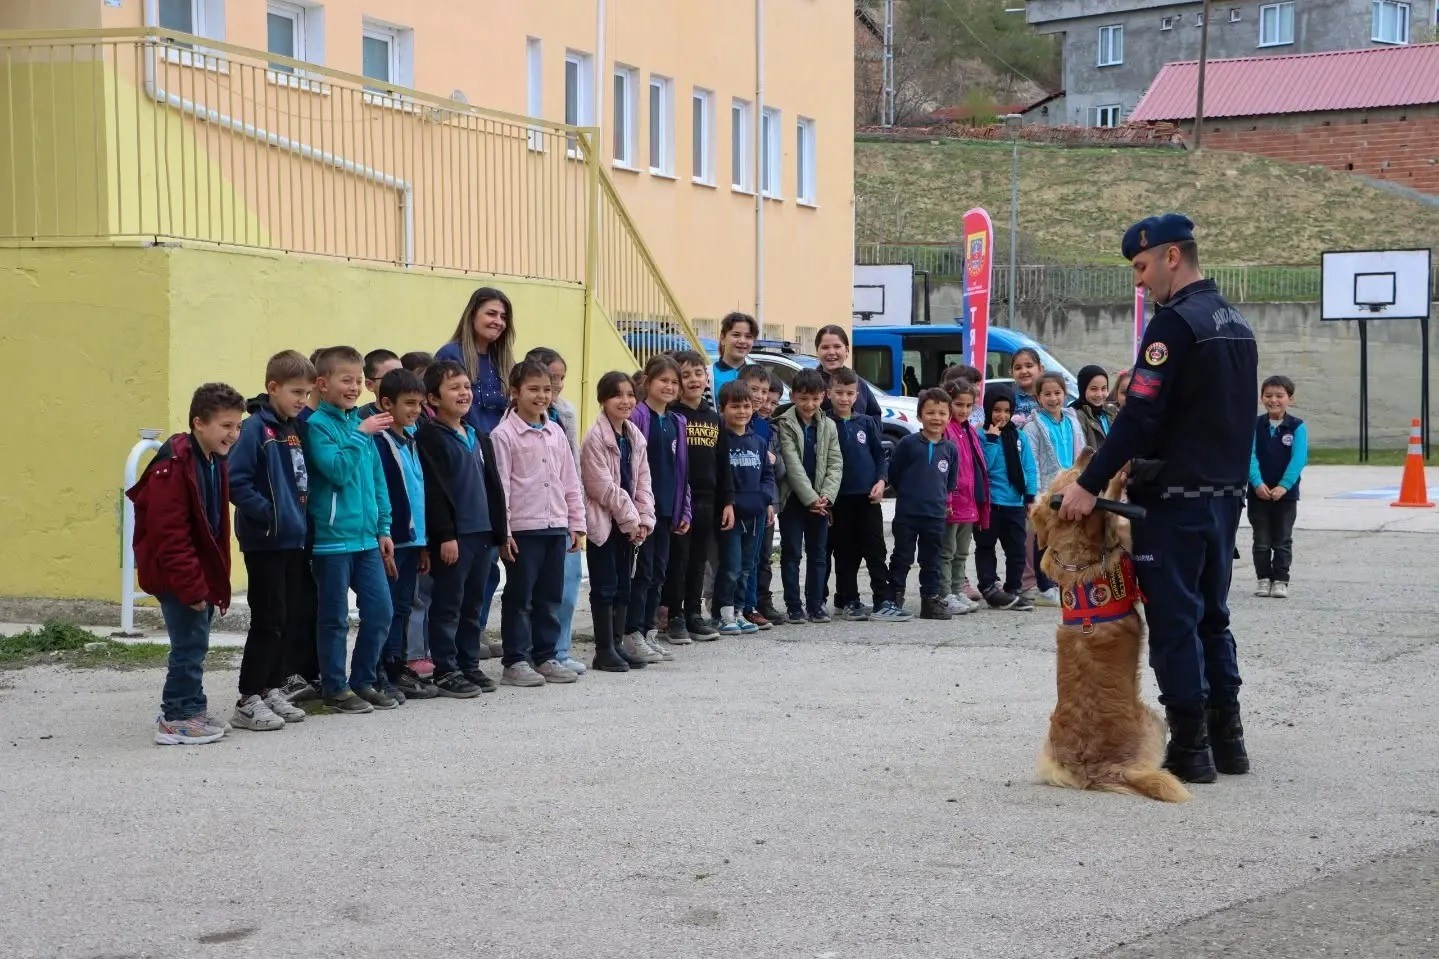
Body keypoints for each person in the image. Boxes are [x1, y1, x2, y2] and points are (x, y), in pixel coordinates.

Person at [1055, 212, 1259, 785]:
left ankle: (1190, 750)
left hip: (1173, 498)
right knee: (1213, 619)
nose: (1138, 282)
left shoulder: (1174, 325)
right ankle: (1229, 741)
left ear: (1173, 256)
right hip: (1223, 496)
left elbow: (1140, 414)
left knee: (1175, 622)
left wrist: (1088, 484)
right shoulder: (1236, 322)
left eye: (1142, 267)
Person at [130, 383, 246, 745]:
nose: (234, 434)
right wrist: (192, 586)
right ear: (199, 423)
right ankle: (176, 717)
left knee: (197, 640)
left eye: (237, 426)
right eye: (226, 426)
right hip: (177, 574)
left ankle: (192, 708)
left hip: (195, 570)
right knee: (189, 644)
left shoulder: (211, 458)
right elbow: (171, 535)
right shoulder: (174, 467)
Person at [303, 346, 396, 715]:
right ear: (322, 384)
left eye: (359, 380)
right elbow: (337, 471)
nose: (355, 387)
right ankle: (334, 687)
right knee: (335, 618)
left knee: (381, 610)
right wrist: (361, 433)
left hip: (366, 540)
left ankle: (363, 679)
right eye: (347, 380)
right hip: (331, 542)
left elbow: (377, 481)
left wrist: (384, 527)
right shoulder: (317, 427)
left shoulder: (359, 424)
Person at [226, 350, 315, 730]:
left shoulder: (290, 429)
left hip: (293, 539)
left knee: (287, 617)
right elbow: (236, 481)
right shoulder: (253, 430)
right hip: (266, 540)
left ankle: (272, 687)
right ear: (272, 387)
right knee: (267, 620)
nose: (302, 400)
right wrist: (273, 515)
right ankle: (248, 697)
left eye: (307, 393)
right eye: (296, 392)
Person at [491, 358, 588, 687]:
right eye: (533, 389)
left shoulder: (555, 432)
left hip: (555, 526)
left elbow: (570, 481)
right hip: (523, 529)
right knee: (520, 597)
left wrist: (576, 523)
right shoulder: (503, 435)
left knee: (551, 594)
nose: (541, 396)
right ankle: (515, 660)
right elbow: (501, 485)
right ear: (514, 392)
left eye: (547, 389)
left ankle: (545, 655)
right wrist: (503, 532)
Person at [415, 360, 509, 697]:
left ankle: (469, 664)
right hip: (456, 537)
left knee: (473, 605)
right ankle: (446, 668)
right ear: (433, 399)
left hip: (483, 535)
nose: (463, 392)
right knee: (448, 605)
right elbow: (435, 491)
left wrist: (501, 531)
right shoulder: (430, 436)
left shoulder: (476, 434)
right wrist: (445, 535)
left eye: (466, 386)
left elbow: (493, 486)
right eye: (454, 387)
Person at [435, 287, 516, 659]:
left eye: (502, 317)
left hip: (493, 458)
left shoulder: (502, 361)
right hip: (460, 457)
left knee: (490, 564)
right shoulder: (452, 355)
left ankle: (476, 632)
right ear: (472, 315)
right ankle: (450, 649)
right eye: (490, 314)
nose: (497, 322)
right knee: (462, 571)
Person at [581, 371, 656, 671]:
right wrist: (631, 519)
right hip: (605, 523)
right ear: (603, 400)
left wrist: (644, 519)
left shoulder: (634, 436)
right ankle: (603, 649)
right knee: (605, 585)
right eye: (617, 395)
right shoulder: (595, 438)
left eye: (629, 395)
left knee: (625, 583)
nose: (625, 401)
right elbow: (601, 487)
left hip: (629, 524)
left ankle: (617, 644)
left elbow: (643, 481)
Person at [372, 368, 436, 701]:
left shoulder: (410, 439)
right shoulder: (379, 443)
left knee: (404, 606)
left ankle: (396, 665)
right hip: (393, 540)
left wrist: (423, 543)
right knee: (389, 608)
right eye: (408, 403)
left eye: (420, 404)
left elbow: (418, 493)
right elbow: (385, 494)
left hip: (414, 541)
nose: (415, 410)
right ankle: (383, 667)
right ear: (386, 403)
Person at [525, 347, 588, 674]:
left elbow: (572, 465)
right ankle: (529, 652)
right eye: (551, 378)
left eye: (561, 378)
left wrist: (577, 514)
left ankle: (558, 650)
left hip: (563, 509)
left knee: (568, 581)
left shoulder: (565, 413)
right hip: (531, 515)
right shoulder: (515, 423)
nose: (557, 385)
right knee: (532, 589)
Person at [664, 350, 734, 643]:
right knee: (677, 560)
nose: (692, 379)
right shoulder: (673, 415)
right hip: (682, 500)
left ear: (707, 378)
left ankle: (694, 614)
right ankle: (674, 616)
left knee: (698, 560)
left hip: (708, 500)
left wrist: (727, 501)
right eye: (685, 374)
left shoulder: (714, 418)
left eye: (698, 373)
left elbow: (723, 461)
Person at [625, 354, 691, 663]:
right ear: (647, 382)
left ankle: (650, 631)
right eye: (663, 380)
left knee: (658, 573)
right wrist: (633, 511)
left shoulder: (678, 421)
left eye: (674, 382)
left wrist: (684, 510)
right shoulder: (637, 416)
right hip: (642, 512)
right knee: (641, 573)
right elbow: (630, 467)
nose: (669, 386)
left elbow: (682, 472)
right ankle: (632, 633)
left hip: (667, 510)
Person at [826, 366, 902, 622]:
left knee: (875, 550)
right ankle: (850, 600)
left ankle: (884, 599)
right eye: (839, 393)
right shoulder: (825, 424)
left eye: (850, 393)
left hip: (868, 498)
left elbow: (880, 456)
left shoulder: (867, 423)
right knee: (845, 552)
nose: (845, 398)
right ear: (829, 393)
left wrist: (881, 481)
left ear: (857, 394)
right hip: (839, 499)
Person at [887, 388, 959, 621]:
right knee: (902, 556)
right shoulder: (908, 444)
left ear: (949, 417)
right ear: (920, 416)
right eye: (930, 412)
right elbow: (894, 474)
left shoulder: (950, 449)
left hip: (936, 515)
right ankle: (894, 597)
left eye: (942, 413)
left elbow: (949, 482)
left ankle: (930, 600)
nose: (936, 418)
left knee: (932, 560)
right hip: (908, 514)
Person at [776, 369, 841, 624]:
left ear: (823, 397)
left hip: (821, 503)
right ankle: (793, 605)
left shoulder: (828, 425)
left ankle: (816, 604)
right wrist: (810, 498)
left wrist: (826, 496)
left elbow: (836, 463)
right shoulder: (784, 423)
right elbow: (792, 466)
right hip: (794, 499)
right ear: (793, 396)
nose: (809, 404)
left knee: (818, 553)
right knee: (791, 552)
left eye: (815, 399)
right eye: (803, 398)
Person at [715, 381, 774, 635]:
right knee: (731, 566)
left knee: (748, 566)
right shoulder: (720, 441)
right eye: (735, 406)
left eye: (746, 406)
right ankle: (724, 613)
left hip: (756, 513)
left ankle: (740, 611)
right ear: (722, 408)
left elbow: (768, 475)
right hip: (731, 514)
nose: (742, 411)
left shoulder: (759, 442)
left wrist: (767, 501)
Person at [1023, 371, 1085, 608]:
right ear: (1038, 397)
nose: (1053, 398)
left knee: (1066, 537)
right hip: (1046, 491)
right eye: (1047, 394)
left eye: (1057, 393)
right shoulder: (1033, 427)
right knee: (1044, 539)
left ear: (1065, 394)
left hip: (1070, 488)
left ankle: (1062, 579)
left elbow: (1079, 453)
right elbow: (1033, 462)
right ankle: (1044, 585)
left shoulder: (1072, 420)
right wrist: (1035, 494)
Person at [975, 385, 1038, 612]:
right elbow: (985, 467)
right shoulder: (980, 435)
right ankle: (989, 585)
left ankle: (1013, 589)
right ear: (987, 410)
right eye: (996, 410)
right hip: (990, 504)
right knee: (986, 546)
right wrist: (991, 441)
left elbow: (1029, 468)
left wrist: (1030, 497)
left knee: (1016, 550)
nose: (1001, 416)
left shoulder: (1019, 436)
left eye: (1006, 410)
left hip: (1014, 503)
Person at [1249, 374, 1307, 600]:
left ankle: (1281, 579)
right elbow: (1249, 456)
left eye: (1279, 396)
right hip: (1259, 494)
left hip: (1286, 495)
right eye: (1268, 395)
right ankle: (1263, 578)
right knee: (1261, 540)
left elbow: (1299, 458)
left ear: (1290, 399)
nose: (1274, 400)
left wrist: (1284, 485)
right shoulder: (1254, 425)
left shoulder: (1297, 427)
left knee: (1282, 539)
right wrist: (1257, 482)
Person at [741, 367, 786, 628]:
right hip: (741, 500)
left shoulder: (768, 429)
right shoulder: (738, 420)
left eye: (770, 399)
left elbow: (776, 469)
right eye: (757, 392)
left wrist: (773, 460)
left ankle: (759, 601)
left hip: (765, 500)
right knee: (740, 559)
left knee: (762, 556)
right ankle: (739, 607)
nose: (764, 402)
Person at [939, 380, 987, 615]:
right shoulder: (945, 429)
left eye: (969, 406)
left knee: (961, 551)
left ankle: (958, 589)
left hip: (968, 501)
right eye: (959, 404)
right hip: (952, 501)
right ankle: (944, 592)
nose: (964, 410)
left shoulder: (968, 430)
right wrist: (947, 498)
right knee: (947, 551)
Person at [814, 325, 882, 417]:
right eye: (825, 347)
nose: (831, 352)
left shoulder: (859, 384)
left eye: (837, 346)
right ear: (817, 351)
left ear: (846, 350)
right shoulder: (810, 383)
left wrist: (864, 429)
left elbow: (875, 416)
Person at [709, 312, 757, 402]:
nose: (742, 341)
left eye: (748, 336)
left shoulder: (758, 376)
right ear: (722, 338)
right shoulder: (707, 375)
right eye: (736, 335)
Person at [1070, 365, 1112, 450]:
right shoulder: (1076, 416)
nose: (1099, 394)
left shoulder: (1111, 411)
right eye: (1093, 389)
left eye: (1103, 388)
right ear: (1082, 389)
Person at [360, 349, 401, 419]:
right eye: (390, 377)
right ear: (369, 385)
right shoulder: (359, 420)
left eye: (403, 375)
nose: (400, 381)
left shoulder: (415, 418)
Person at [1008, 348, 1043, 429]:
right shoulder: (1010, 399)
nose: (1023, 371)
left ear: (1040, 369)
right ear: (1012, 373)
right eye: (1018, 368)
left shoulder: (1050, 396)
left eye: (1029, 366)